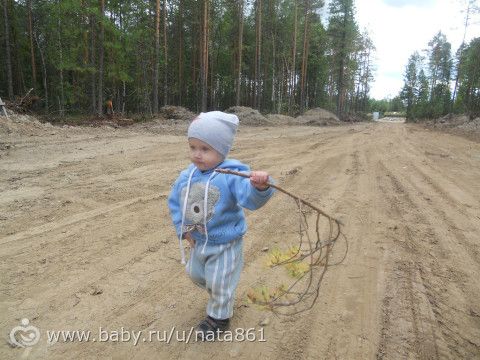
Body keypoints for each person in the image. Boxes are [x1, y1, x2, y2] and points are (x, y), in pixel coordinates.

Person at [167, 111, 275, 340]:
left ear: (222, 149)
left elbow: (249, 198)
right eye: (193, 147)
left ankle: (219, 317)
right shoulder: (187, 176)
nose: (197, 155)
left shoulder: (232, 173)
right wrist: (183, 228)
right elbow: (176, 202)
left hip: (226, 243)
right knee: (196, 275)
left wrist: (260, 187)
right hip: (200, 241)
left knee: (219, 281)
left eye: (205, 149)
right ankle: (220, 290)